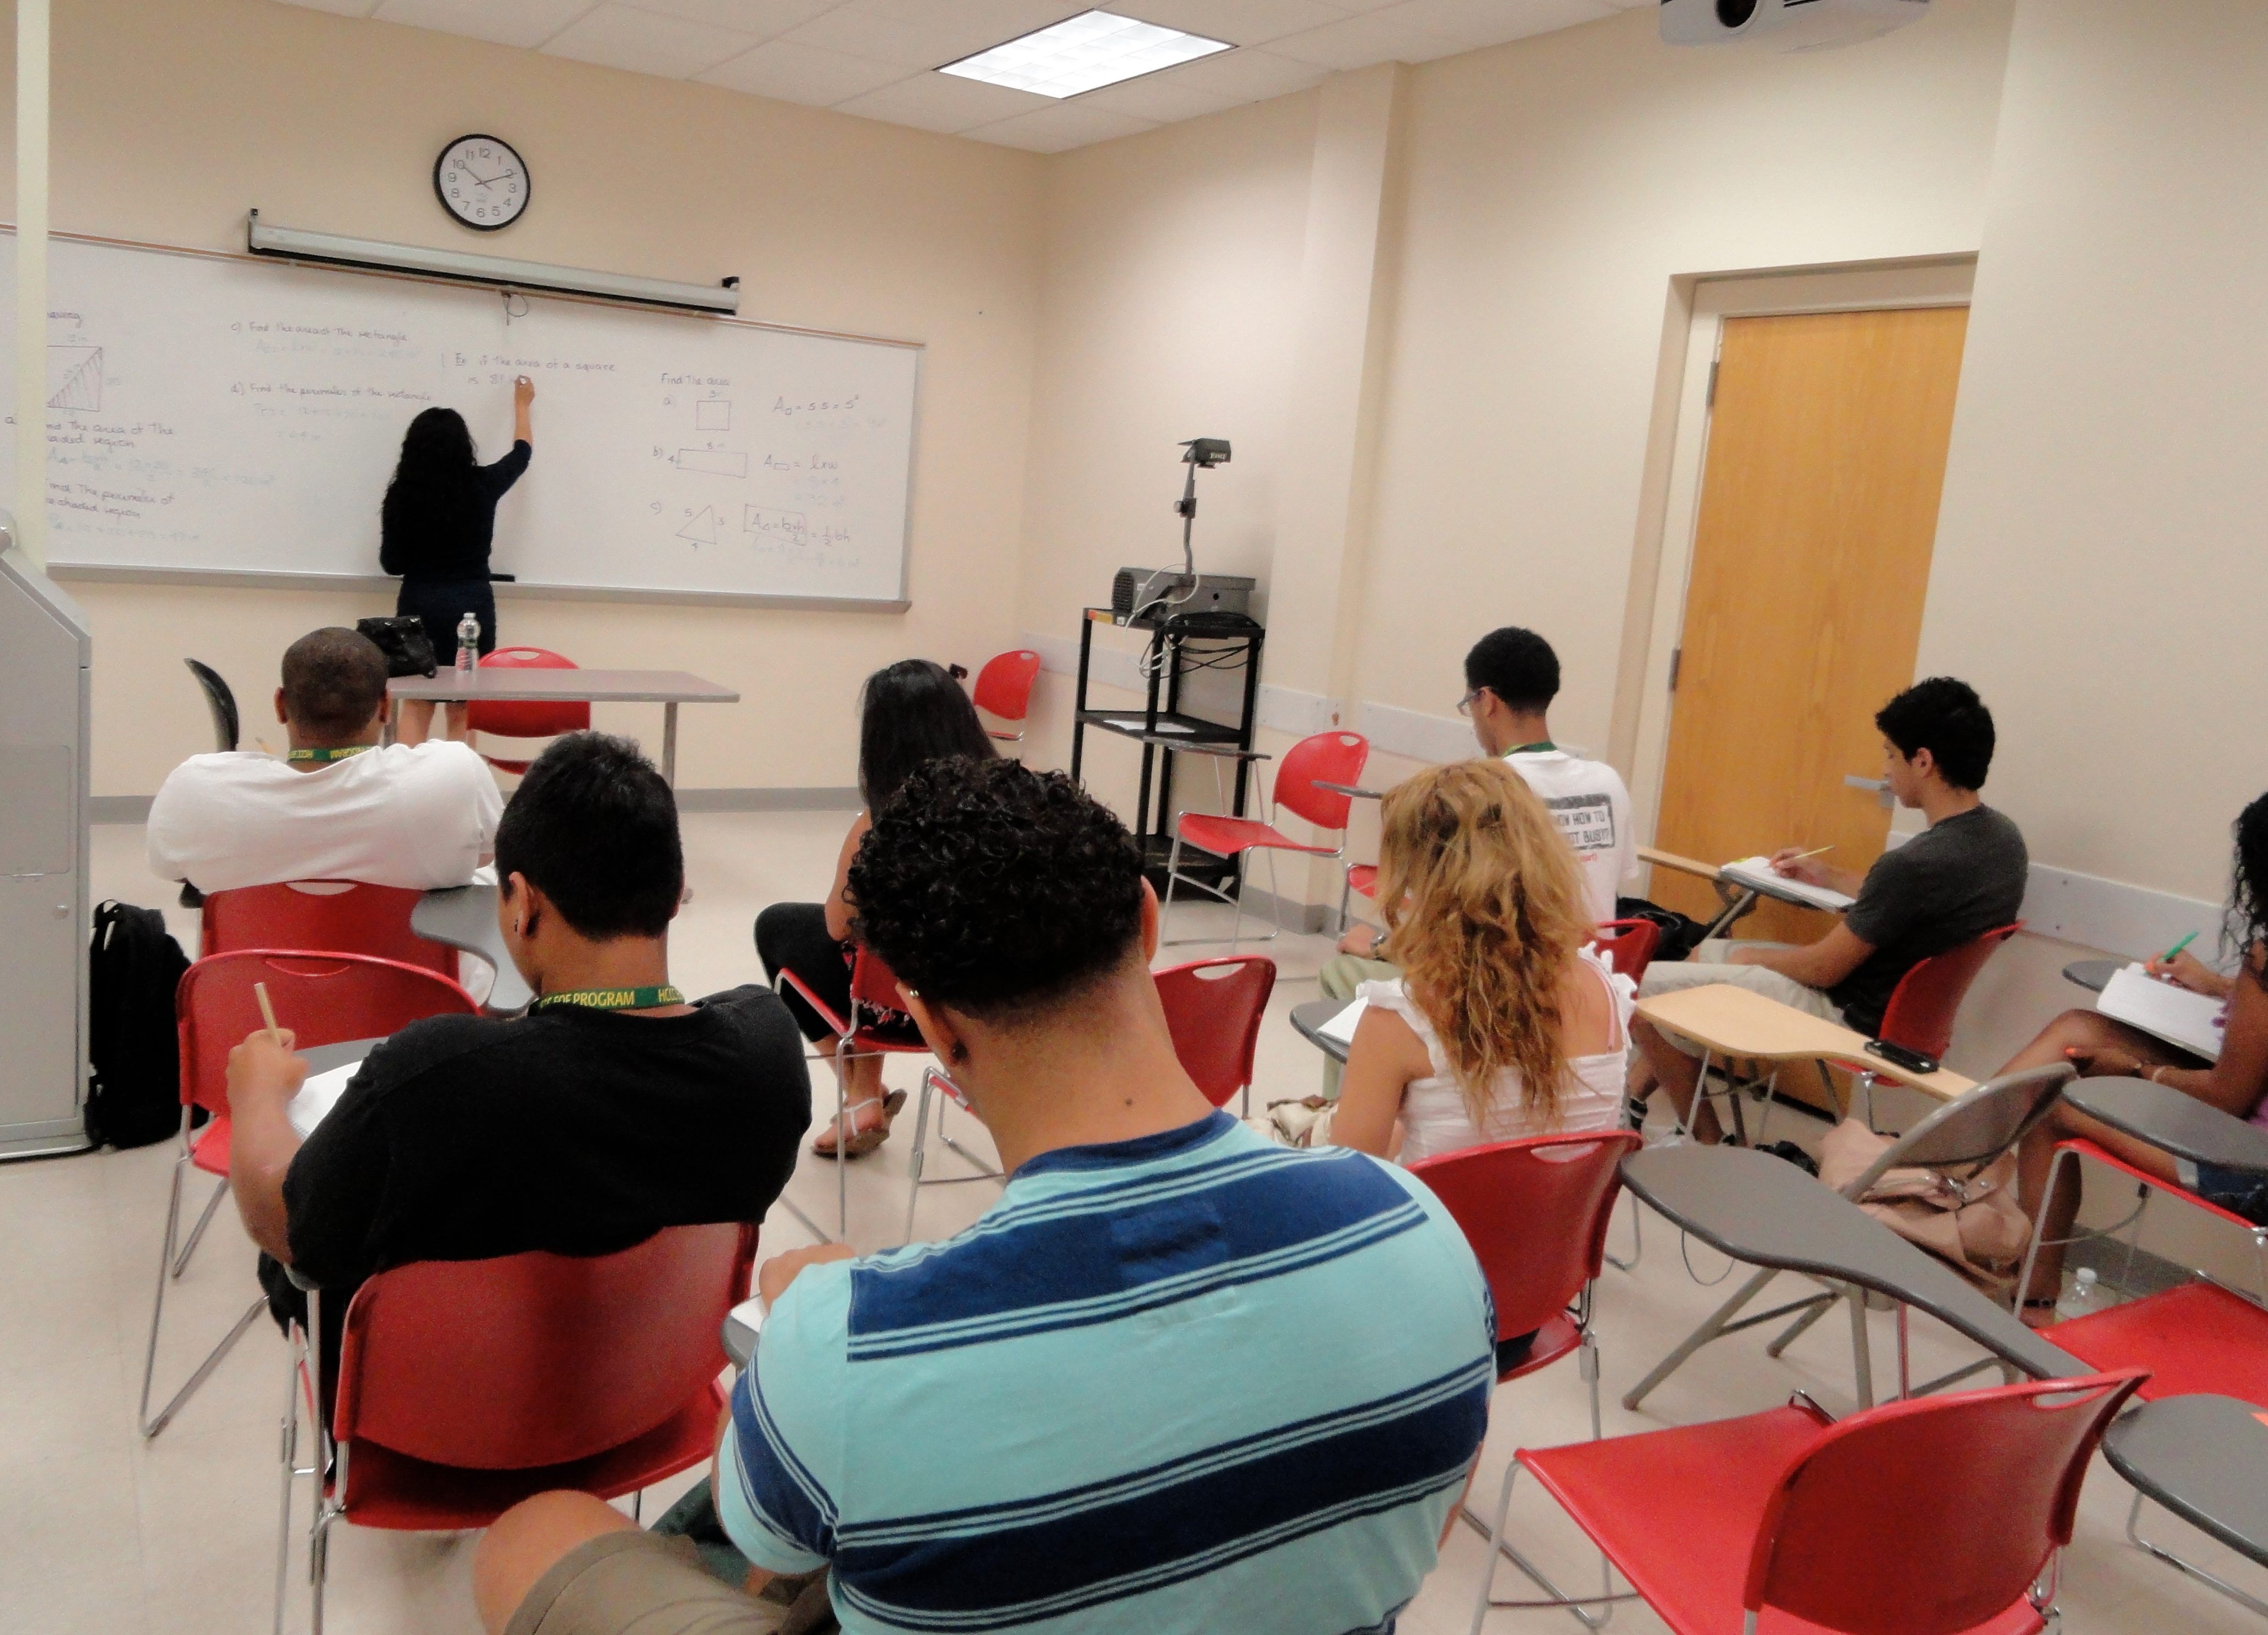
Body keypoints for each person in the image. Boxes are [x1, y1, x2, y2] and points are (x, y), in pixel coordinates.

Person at [474, 757, 1495, 1635]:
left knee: (533, 1537)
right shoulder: (1426, 1235)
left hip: (833, 1400)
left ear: (928, 1022)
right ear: (1147, 923)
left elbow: (766, 1535)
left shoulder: (851, 1340)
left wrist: (829, 1338)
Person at [224, 731, 810, 1404]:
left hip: (435, 1430)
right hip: (646, 1403)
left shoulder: (433, 1077)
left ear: (524, 903)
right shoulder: (767, 1052)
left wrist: (259, 1096)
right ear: (676, 893)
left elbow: (287, 1227)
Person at [1631, 677, 2027, 1144]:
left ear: (1923, 761)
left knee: (1641, 993)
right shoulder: (2001, 842)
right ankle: (1638, 1103)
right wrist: (1829, 875)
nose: (1885, 770)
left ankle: (1710, 1142)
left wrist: (1752, 960)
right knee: (1707, 955)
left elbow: (1822, 969)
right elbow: (1907, 901)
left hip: (1847, 1016)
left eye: (1890, 755)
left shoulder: (1915, 864)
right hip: (1908, 1022)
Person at [2000, 793, 2268, 1321]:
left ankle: (2028, 1300)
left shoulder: (2267, 959)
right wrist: (2218, 987)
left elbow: (2227, 1096)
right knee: (2078, 1027)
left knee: (2048, 1102)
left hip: (2251, 1167)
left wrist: (2136, 1072)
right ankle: (1957, 1173)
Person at [1328, 760, 1632, 1181]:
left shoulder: (1398, 1022)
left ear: (1424, 884)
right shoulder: (1606, 990)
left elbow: (1345, 1191)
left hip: (1441, 1243)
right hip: (1555, 1244)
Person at [753, 659, 994, 1159]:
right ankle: (865, 1096)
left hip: (903, 1006)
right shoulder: (1008, 801)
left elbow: (836, 924)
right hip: (983, 1007)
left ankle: (861, 1096)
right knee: (881, 945)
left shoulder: (878, 825)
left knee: (786, 928)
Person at [1324, 627, 1633, 1000]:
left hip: (1514, 993)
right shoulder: (1608, 782)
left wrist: (1377, 945)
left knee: (1339, 972)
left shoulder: (1482, 790)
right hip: (1595, 988)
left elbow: (1455, 934)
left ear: (1487, 701)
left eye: (1469, 703)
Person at [146, 626, 502, 895]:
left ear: (281, 706)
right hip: (416, 987)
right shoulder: (455, 773)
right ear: (384, 706)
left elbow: (172, 869)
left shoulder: (196, 787)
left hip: (256, 992)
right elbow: (484, 857)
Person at [382, 376, 535, 744]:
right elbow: (521, 455)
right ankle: (460, 789)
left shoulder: (403, 494)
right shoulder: (482, 484)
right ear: (463, 445)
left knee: (418, 703)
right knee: (464, 706)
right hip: (472, 606)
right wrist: (522, 405)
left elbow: (391, 563)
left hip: (418, 604)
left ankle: (410, 790)